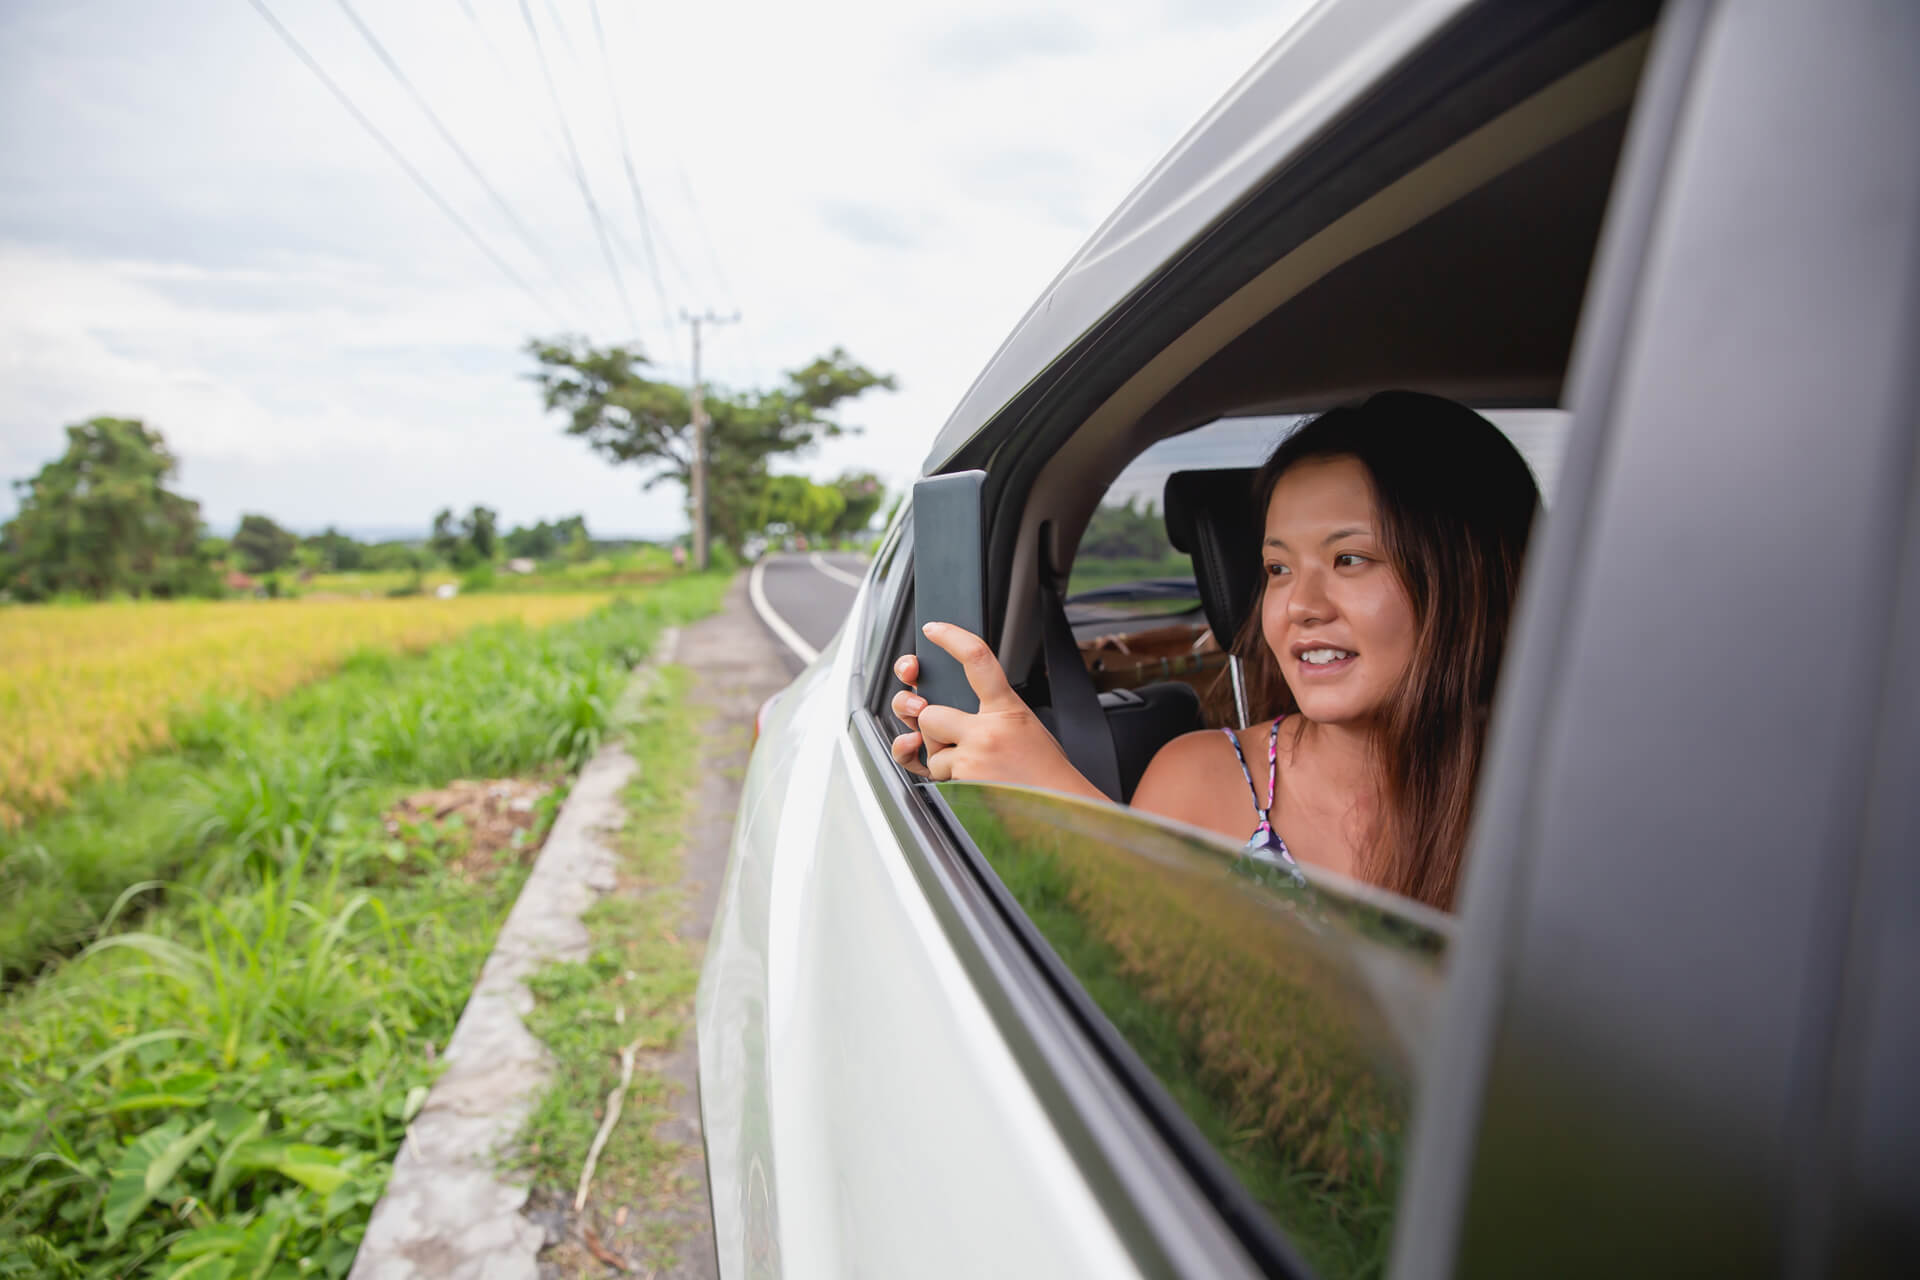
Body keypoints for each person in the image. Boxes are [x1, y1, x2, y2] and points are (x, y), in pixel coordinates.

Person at [890, 390, 1540, 911]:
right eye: (1277, 569)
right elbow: (1145, 1005)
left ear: (1467, 580)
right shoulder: (1200, 778)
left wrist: (1072, 815)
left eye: (1349, 559)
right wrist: (1057, 810)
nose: (1300, 607)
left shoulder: (1559, 807)